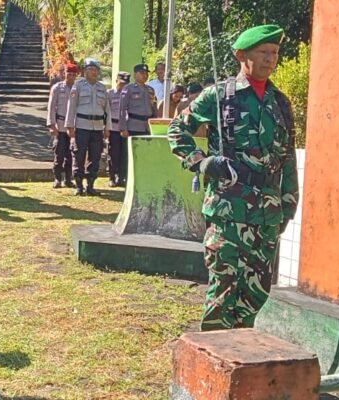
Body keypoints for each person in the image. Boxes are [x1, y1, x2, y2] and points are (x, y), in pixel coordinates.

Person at [167, 25, 299, 331]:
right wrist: (201, 162)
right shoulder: (219, 97)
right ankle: (212, 358)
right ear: (242, 56)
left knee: (256, 292)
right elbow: (177, 130)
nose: (270, 59)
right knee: (224, 289)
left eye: (275, 53)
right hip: (228, 210)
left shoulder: (280, 103)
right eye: (263, 53)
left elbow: (288, 160)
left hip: (267, 214)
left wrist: (288, 206)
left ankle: (242, 357)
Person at [65, 58, 111, 196]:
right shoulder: (78, 86)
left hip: (97, 128)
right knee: (78, 155)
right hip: (81, 126)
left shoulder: (102, 88)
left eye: (96, 70)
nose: (94, 72)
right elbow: (71, 106)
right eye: (91, 69)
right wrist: (69, 125)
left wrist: (107, 127)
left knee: (95, 157)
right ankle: (79, 186)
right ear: (85, 71)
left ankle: (90, 185)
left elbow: (107, 110)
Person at [46, 63, 78, 189]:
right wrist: (52, 125)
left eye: (73, 75)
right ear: (64, 73)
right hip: (60, 125)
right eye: (68, 74)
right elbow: (51, 107)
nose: (71, 77)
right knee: (59, 153)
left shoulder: (78, 88)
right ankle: (57, 178)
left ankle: (68, 179)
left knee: (71, 154)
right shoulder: (57, 88)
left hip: (74, 127)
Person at [120, 63, 157, 137]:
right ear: (135, 74)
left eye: (146, 73)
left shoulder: (151, 90)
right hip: (134, 126)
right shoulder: (128, 89)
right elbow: (122, 109)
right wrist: (123, 128)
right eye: (142, 73)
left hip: (148, 127)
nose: (145, 75)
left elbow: (154, 109)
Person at [106, 71, 130, 187]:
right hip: (113, 127)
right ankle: (111, 176)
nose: (123, 86)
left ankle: (122, 177)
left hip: (126, 128)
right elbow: (106, 112)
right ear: (116, 81)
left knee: (124, 154)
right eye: (121, 83)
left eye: (126, 84)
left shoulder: (130, 94)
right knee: (113, 153)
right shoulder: (109, 94)